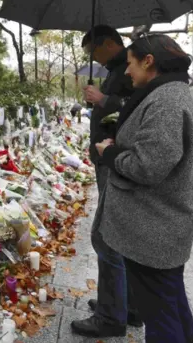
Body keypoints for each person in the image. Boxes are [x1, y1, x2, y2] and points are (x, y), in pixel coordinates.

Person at [96, 34, 193, 343]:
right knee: (170, 304)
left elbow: (148, 166)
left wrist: (109, 154)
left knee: (161, 315)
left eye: (130, 64)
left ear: (148, 61)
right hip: (158, 225)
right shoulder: (167, 93)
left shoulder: (166, 100)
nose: (127, 72)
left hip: (154, 230)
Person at [71, 25, 139, 338]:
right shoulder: (118, 69)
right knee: (120, 234)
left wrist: (104, 100)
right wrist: (99, 103)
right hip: (110, 160)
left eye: (93, 52)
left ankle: (112, 316)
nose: (93, 59)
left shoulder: (130, 68)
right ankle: (125, 305)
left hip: (116, 162)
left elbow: (135, 112)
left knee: (107, 237)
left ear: (108, 44)